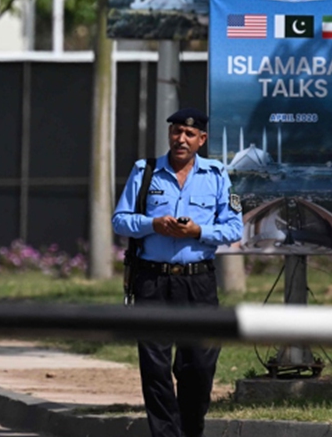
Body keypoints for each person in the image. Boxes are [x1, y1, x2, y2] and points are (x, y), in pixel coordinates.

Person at [112, 107, 243, 437]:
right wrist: (152, 223)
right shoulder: (145, 171)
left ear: (202, 139)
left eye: (188, 134)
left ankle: (190, 430)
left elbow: (234, 227)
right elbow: (120, 220)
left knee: (198, 365)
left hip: (197, 282)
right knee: (154, 367)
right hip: (152, 280)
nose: (180, 139)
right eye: (175, 132)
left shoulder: (216, 175)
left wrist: (198, 231)